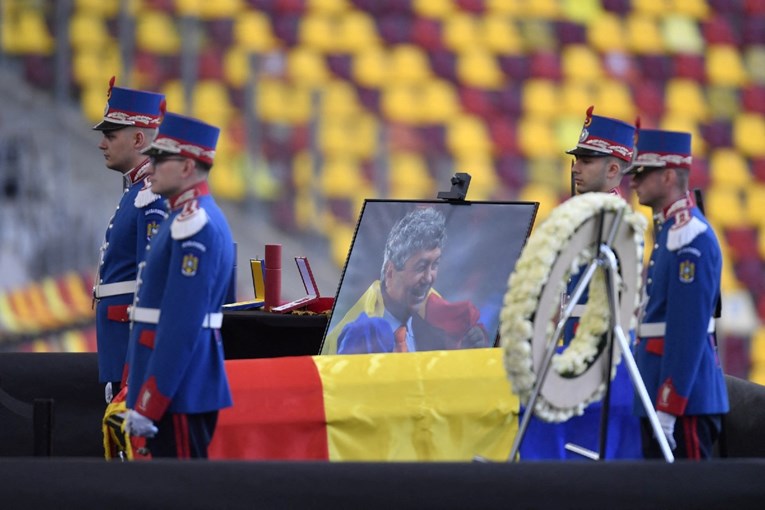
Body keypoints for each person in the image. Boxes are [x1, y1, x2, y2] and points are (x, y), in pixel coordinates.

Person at [521, 106, 642, 460]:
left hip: (601, 367)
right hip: (573, 355)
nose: (575, 167)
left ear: (614, 170)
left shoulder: (615, 224)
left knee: (589, 467)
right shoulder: (584, 217)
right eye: (576, 159)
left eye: (587, 161)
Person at [123, 113, 235, 459]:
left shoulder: (194, 224)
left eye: (160, 159)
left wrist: (151, 400)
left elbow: (181, 324)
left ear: (187, 167)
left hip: (179, 390)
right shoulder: (180, 216)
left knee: (181, 483)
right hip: (172, 385)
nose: (150, 166)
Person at [625, 129, 729, 460]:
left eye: (643, 173)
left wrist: (670, 405)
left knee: (691, 488)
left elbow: (687, 330)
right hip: (660, 393)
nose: (633, 181)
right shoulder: (671, 230)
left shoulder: (689, 237)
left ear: (668, 176)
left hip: (684, 402)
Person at [92, 77, 168, 404]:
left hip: (130, 354)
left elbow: (150, 289)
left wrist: (134, 368)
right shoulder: (136, 191)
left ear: (138, 139)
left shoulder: (151, 196)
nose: (102, 144)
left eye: (110, 136)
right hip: (119, 348)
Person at [325, 206, 490, 354]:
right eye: (421, 267)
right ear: (390, 272)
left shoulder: (436, 326)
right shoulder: (360, 334)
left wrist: (473, 342)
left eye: (434, 265)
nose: (428, 278)